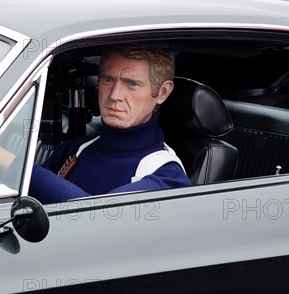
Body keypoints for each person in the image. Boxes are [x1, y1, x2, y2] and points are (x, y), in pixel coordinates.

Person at [29, 44, 191, 204]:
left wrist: (19, 168)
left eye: (132, 84)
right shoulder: (74, 150)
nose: (115, 95)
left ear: (162, 92)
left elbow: (97, 214)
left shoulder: (168, 177)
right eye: (107, 79)